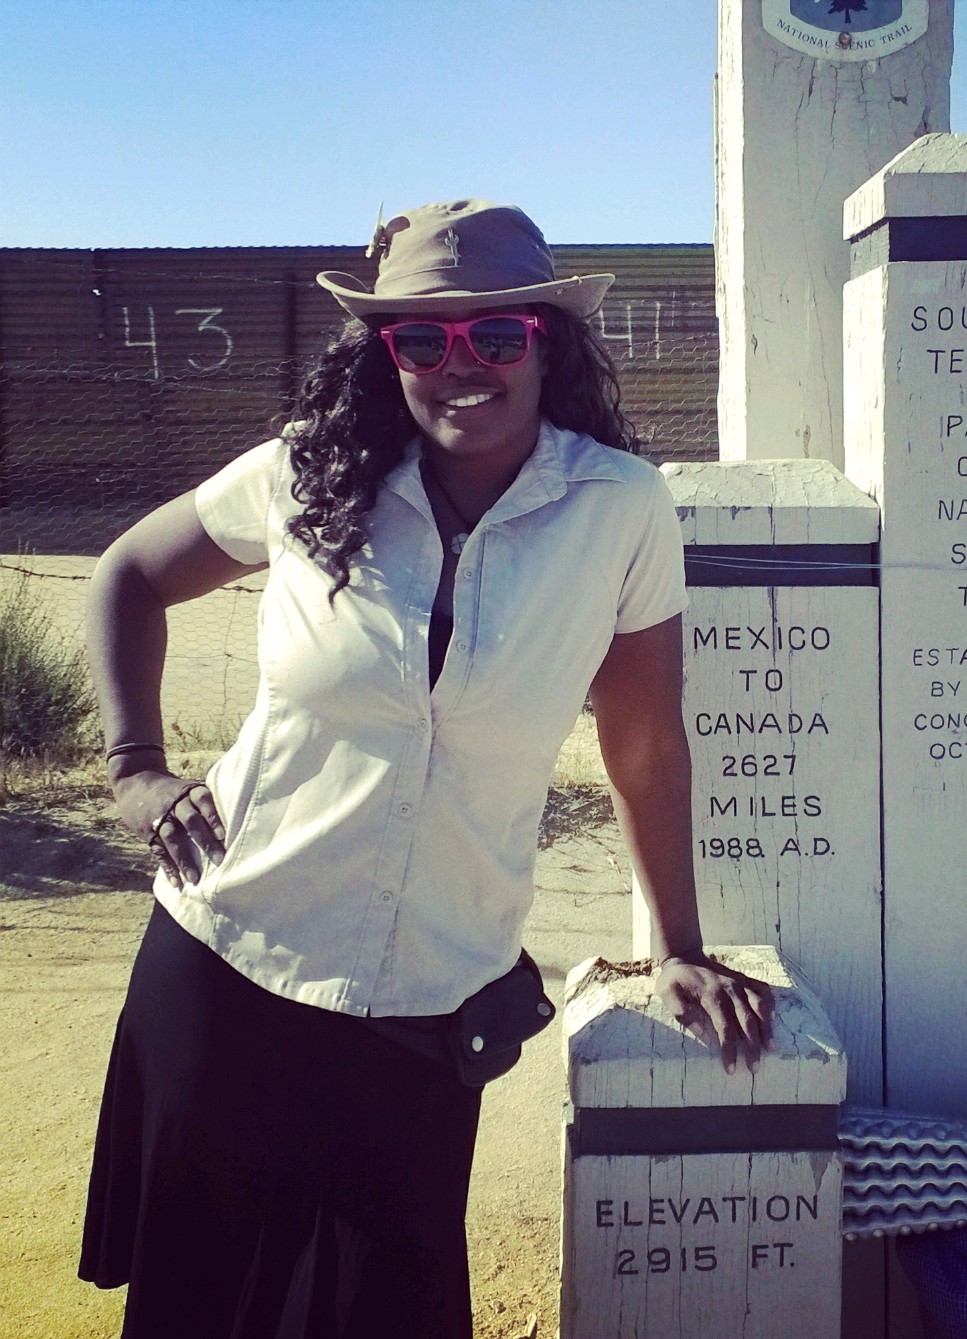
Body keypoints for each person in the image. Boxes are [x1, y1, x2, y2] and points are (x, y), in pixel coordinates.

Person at [78, 199, 773, 1339]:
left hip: (427, 995)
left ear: (546, 343)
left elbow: (643, 740)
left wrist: (679, 949)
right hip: (228, 958)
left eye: (497, 336)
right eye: (422, 339)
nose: (463, 366)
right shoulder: (308, 474)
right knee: (202, 1303)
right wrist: (135, 768)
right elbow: (127, 575)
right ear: (383, 351)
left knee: (380, 1306)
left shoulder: (619, 511)